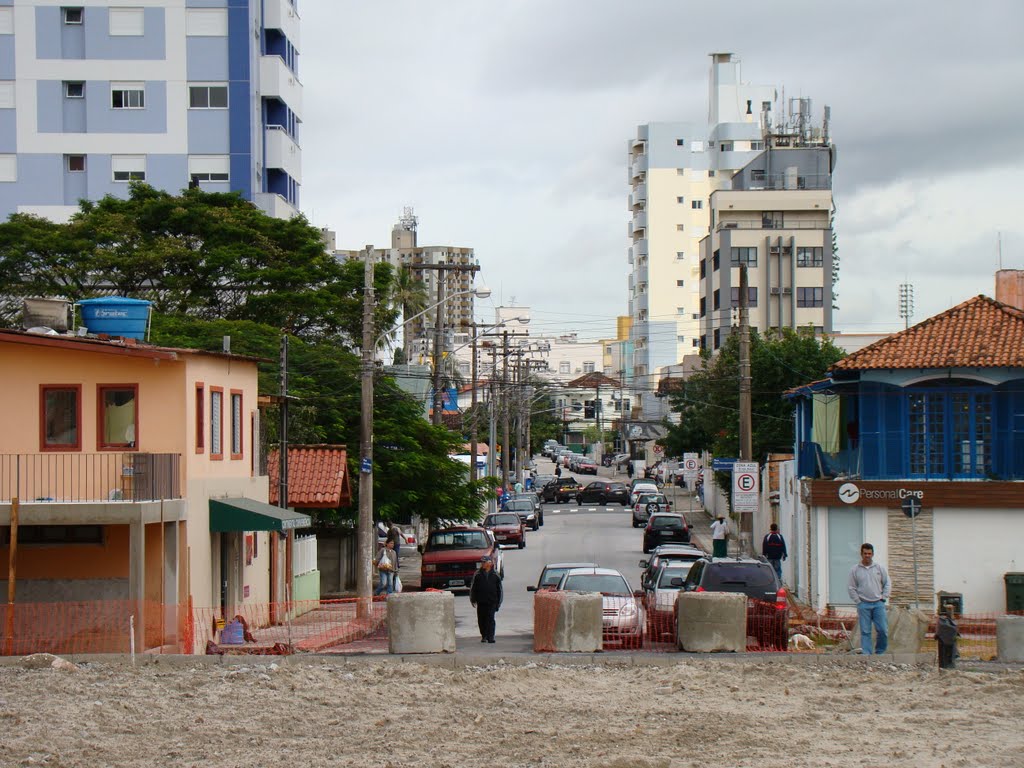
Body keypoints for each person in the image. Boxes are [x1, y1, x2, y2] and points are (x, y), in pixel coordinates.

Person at [847, 543, 891, 655]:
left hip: (878, 604)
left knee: (883, 630)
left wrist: (883, 598)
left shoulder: (879, 568)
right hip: (864, 605)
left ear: (873, 554)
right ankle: (867, 654)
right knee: (865, 631)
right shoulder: (855, 570)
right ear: (861, 554)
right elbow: (851, 587)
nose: (867, 556)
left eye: (869, 553)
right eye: (865, 553)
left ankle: (880, 652)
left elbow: (887, 583)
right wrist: (858, 601)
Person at [469, 555, 503, 643]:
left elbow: (500, 590)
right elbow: (473, 588)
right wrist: (473, 599)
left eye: (485, 562)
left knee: (491, 618)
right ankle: (484, 635)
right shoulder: (477, 574)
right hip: (481, 601)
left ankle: (491, 637)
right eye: (482, 562)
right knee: (482, 619)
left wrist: (498, 602)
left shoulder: (495, 575)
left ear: (490, 563)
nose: (483, 564)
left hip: (492, 601)